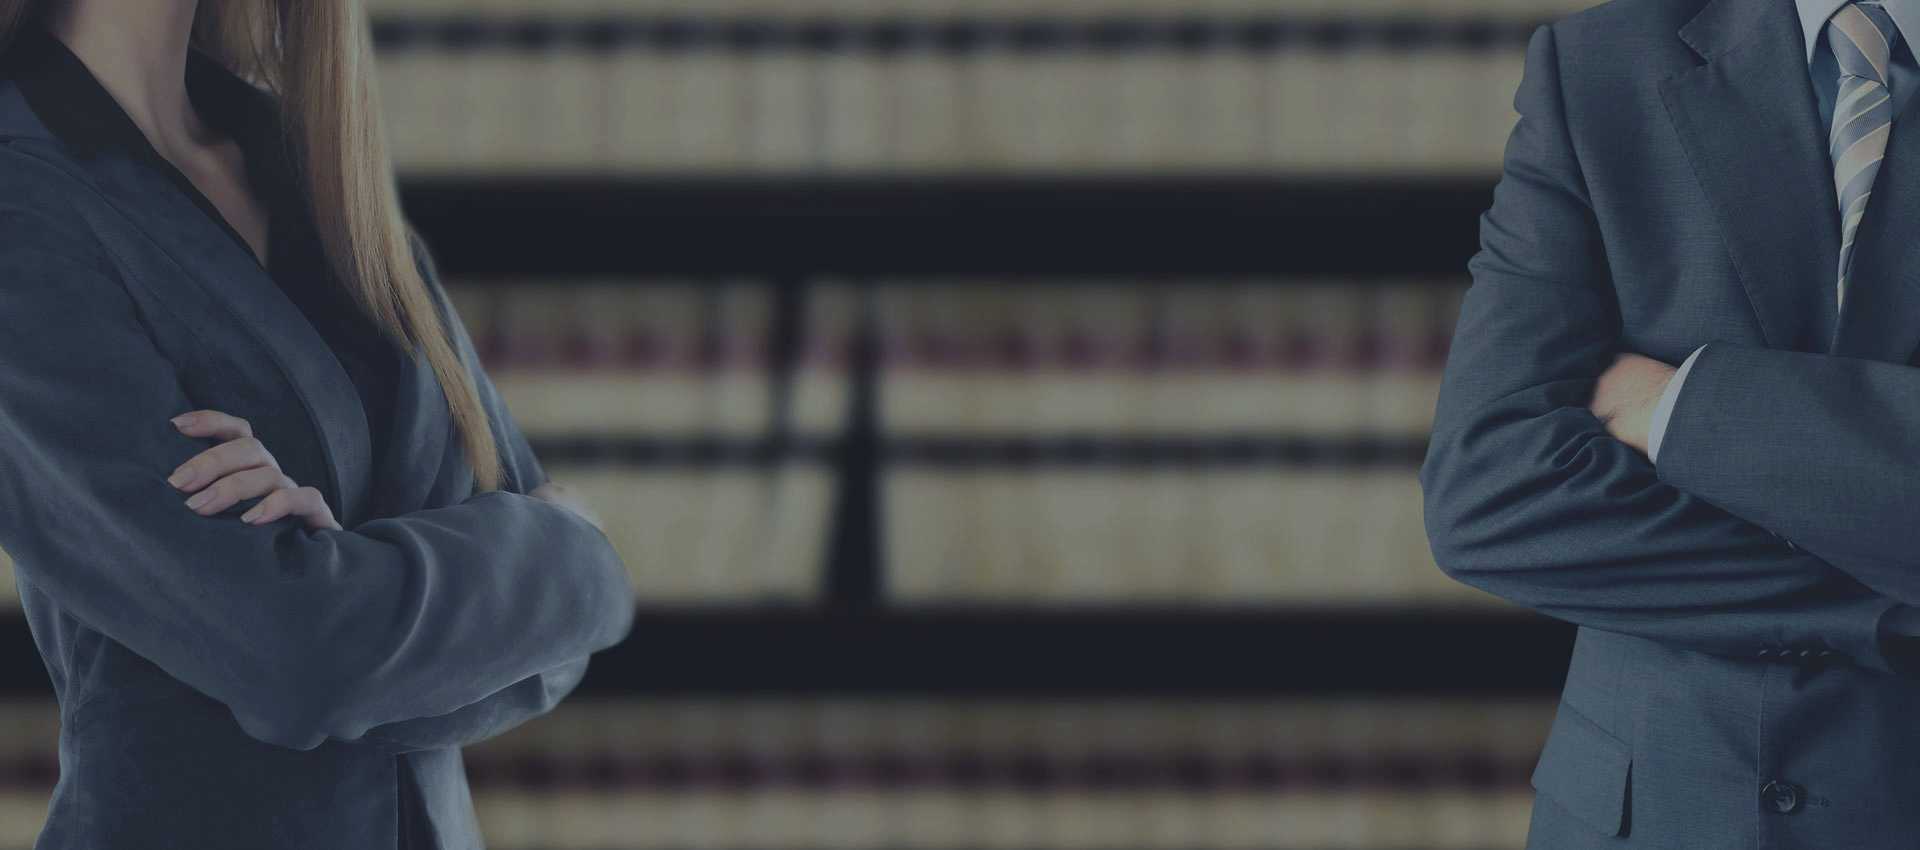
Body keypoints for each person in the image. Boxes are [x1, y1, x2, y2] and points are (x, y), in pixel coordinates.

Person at [0, 1, 635, 848]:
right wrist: (551, 553)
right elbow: (296, 656)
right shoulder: (20, 198)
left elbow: (552, 640)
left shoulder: (306, 157)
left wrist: (350, 597)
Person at [1421, 0, 1920, 844]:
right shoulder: (1595, 65)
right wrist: (1888, 610)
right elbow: (1486, 490)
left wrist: (1677, 408)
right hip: (1647, 814)